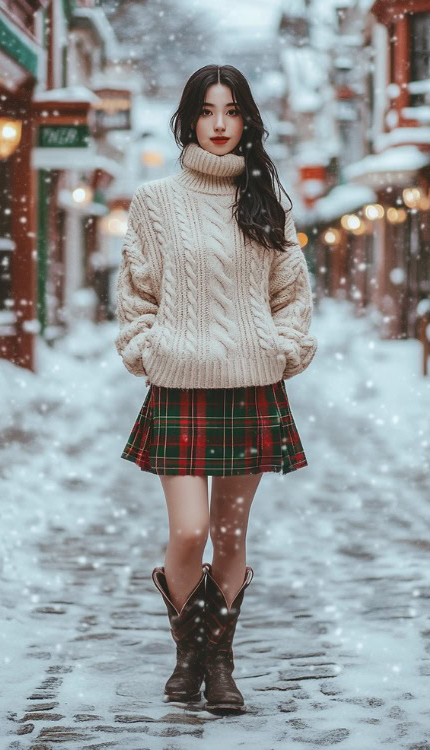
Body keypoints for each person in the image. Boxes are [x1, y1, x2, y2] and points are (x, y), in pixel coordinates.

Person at [114, 64, 318, 714]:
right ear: (189, 119)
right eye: (208, 111)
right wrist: (151, 348)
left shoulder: (266, 203)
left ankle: (219, 666)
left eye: (232, 111)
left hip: (250, 387)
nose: (221, 124)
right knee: (189, 532)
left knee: (230, 536)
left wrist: (280, 348)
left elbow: (293, 295)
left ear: (248, 120)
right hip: (178, 386)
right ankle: (188, 653)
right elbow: (135, 296)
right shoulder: (154, 202)